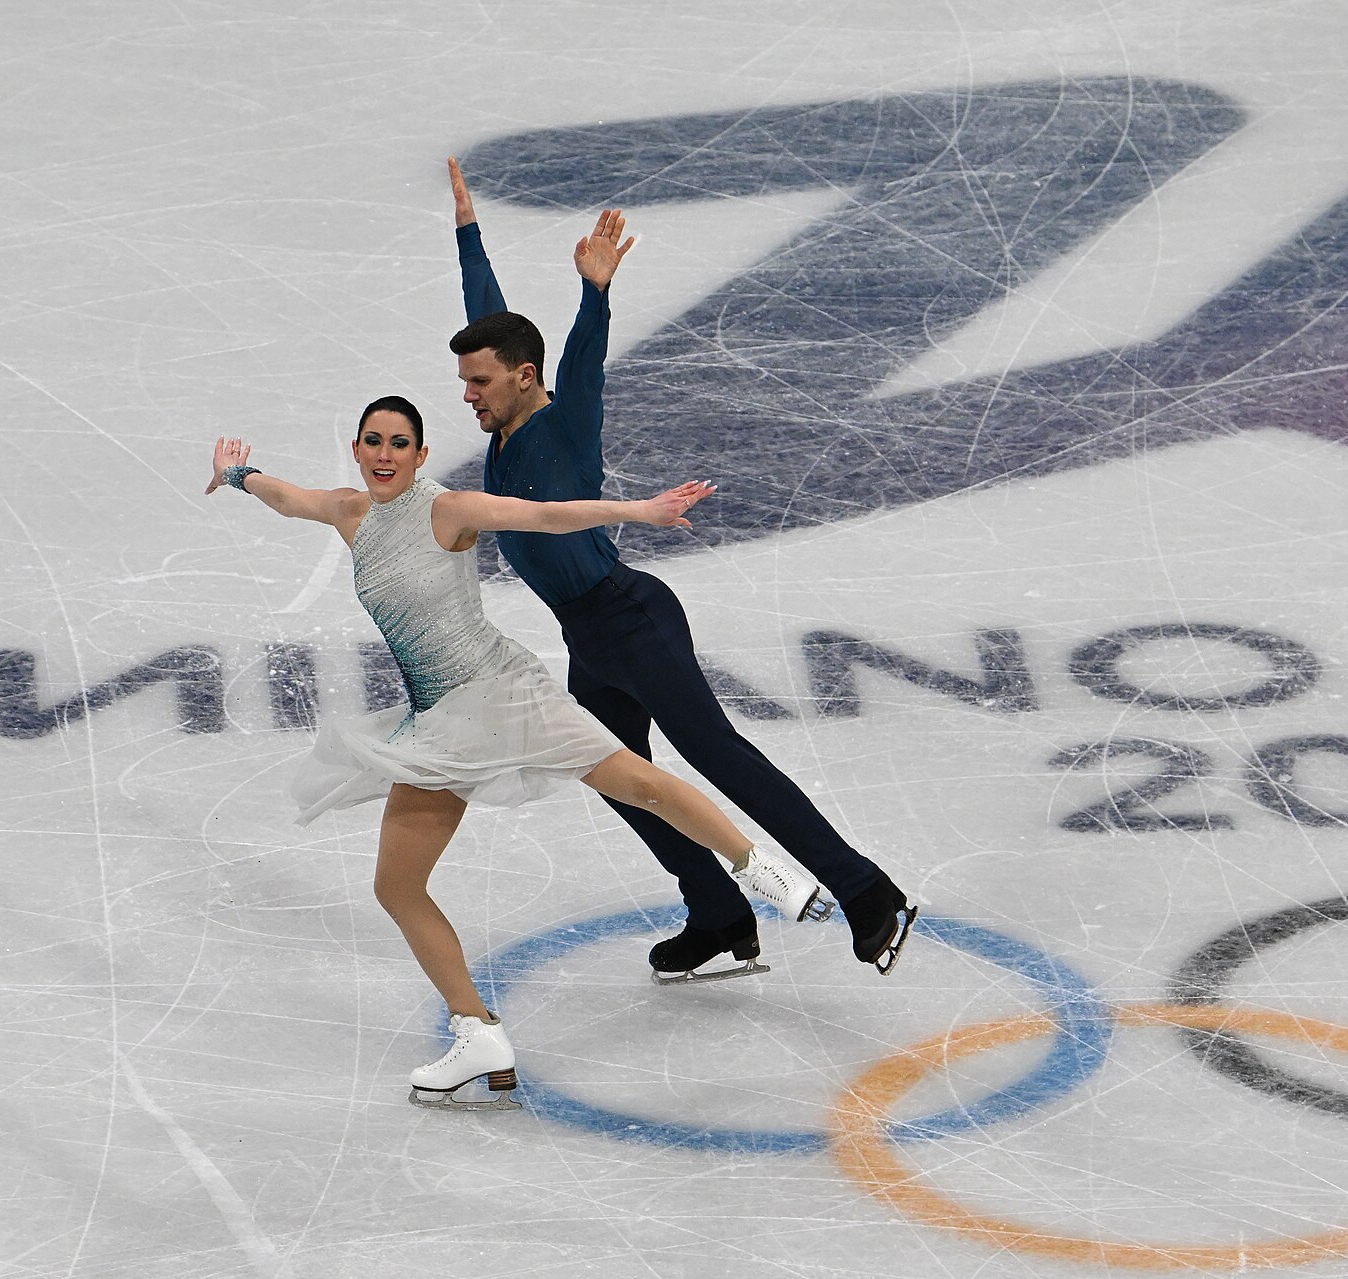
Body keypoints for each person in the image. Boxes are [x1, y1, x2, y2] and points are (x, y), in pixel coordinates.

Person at [205, 397, 790, 1109]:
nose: (385, 454)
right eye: (372, 442)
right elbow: (286, 497)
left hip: (503, 694)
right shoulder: (348, 511)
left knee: (636, 780)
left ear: (421, 455)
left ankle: (757, 869)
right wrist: (238, 475)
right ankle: (477, 1032)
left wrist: (641, 512)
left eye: (400, 443)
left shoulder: (446, 508)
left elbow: (544, 516)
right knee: (397, 884)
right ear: (357, 450)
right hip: (443, 725)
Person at [445, 156, 918, 979]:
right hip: (590, 636)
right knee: (617, 776)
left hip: (631, 618)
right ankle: (716, 907)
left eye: (478, 383)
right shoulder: (503, 413)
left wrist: (594, 294)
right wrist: (468, 234)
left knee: (718, 757)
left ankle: (865, 888)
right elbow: (487, 317)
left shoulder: (564, 420)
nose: (467, 397)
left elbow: (582, 359)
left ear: (525, 378)